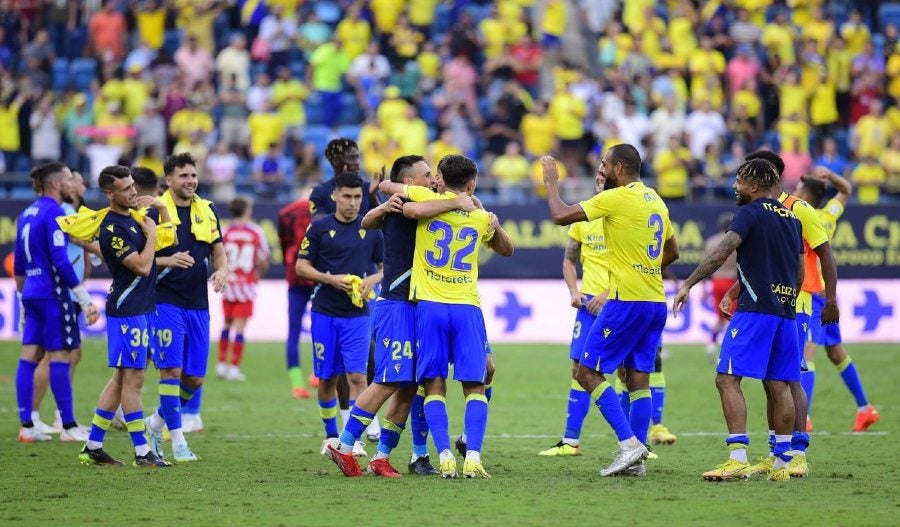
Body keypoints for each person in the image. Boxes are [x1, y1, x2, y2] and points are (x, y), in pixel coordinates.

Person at [325, 155, 479, 478]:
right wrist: (384, 205)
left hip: (421, 304)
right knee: (389, 378)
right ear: (409, 182)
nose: (434, 179)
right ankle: (343, 444)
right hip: (397, 303)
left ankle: (381, 457)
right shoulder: (403, 205)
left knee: (409, 384)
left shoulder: (426, 201)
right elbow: (371, 219)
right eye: (427, 175)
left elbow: (370, 218)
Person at [542, 145, 680, 477]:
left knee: (586, 372)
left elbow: (560, 215)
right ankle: (638, 460)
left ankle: (629, 445)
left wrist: (550, 183)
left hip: (626, 301)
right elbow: (672, 252)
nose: (601, 169)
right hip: (653, 301)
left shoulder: (617, 198)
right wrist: (644, 268)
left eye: (604, 164)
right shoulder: (655, 200)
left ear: (619, 168)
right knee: (638, 380)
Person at [673, 158, 803, 482]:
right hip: (786, 312)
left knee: (726, 378)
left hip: (755, 312)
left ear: (754, 185)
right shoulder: (792, 218)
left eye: (739, 181)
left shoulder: (749, 213)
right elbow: (798, 272)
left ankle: (737, 457)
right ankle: (781, 463)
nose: (735, 186)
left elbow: (721, 253)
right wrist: (770, 295)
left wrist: (688, 283)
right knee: (779, 384)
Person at [400, 154, 514, 478]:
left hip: (430, 307)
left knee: (433, 384)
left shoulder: (426, 198)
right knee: (475, 385)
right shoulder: (478, 218)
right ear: (471, 183)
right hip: (467, 308)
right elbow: (508, 250)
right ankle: (474, 456)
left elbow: (401, 197)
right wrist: (488, 218)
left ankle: (445, 455)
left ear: (439, 178)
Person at [728, 150, 839, 479]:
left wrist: (830, 298)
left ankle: (798, 452)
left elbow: (825, 254)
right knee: (770, 379)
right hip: (770, 302)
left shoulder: (799, 209)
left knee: (790, 376)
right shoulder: (761, 210)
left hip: (799, 301)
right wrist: (735, 292)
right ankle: (779, 451)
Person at [78, 165, 169, 467]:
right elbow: (143, 266)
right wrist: (153, 232)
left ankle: (92, 445)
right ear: (109, 194)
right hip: (127, 308)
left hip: (140, 307)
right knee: (134, 378)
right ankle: (142, 451)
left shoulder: (132, 219)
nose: (134, 191)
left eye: (133, 186)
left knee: (120, 378)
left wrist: (160, 214)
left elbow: (170, 243)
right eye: (126, 188)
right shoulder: (113, 229)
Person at [144, 153, 228, 463]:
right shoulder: (152, 212)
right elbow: (134, 261)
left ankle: (155, 423)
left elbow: (218, 251)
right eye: (183, 176)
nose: (190, 181)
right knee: (171, 371)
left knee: (194, 378)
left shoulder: (207, 210)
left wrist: (223, 270)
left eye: (193, 175)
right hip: (165, 301)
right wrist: (167, 260)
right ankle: (177, 442)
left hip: (198, 303)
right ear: (169, 180)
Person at [295, 172, 384, 459]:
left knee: (358, 376)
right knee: (327, 379)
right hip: (324, 312)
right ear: (335, 196)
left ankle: (352, 438)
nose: (353, 202)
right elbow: (301, 267)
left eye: (358, 197)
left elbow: (387, 268)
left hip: (358, 314)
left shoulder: (371, 228)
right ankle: (331, 435)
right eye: (347, 196)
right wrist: (330, 279)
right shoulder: (319, 228)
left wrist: (373, 279)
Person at [14, 163, 100, 443]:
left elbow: (18, 262)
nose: (71, 183)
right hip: (54, 293)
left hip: (32, 293)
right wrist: (84, 298)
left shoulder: (26, 213)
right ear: (55, 184)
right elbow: (60, 259)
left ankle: (27, 425)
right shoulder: (54, 213)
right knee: (62, 356)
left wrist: (21, 300)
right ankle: (69, 424)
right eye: (67, 179)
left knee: (29, 356)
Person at [794, 168, 879, 432]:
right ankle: (865, 408)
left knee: (806, 356)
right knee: (836, 352)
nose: (794, 193)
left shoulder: (801, 217)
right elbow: (847, 190)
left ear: (805, 195)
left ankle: (803, 418)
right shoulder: (827, 215)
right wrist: (830, 174)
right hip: (827, 295)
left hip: (812, 295)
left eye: (797, 190)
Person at [539, 165, 609, 457]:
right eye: (596, 177)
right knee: (578, 369)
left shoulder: (622, 217)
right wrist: (574, 291)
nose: (598, 181)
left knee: (628, 374)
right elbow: (569, 260)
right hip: (588, 304)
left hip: (619, 301)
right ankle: (570, 441)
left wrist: (608, 294)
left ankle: (636, 442)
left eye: (603, 178)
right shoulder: (584, 218)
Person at [218, 196, 270, 381]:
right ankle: (233, 368)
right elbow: (263, 259)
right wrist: (257, 274)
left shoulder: (225, 231)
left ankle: (221, 364)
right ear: (246, 210)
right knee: (240, 328)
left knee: (226, 324)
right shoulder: (256, 232)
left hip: (228, 284)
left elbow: (218, 255)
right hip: (246, 285)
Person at [277, 195, 316, 399]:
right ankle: (317, 374)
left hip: (295, 274)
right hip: (317, 274)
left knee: (293, 330)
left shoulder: (287, 212)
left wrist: (288, 263)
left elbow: (283, 242)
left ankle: (297, 384)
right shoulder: (323, 208)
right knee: (321, 325)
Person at [702, 214, 738, 362]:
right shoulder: (736, 241)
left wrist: (704, 287)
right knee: (733, 318)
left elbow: (704, 265)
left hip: (716, 281)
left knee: (719, 317)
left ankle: (711, 345)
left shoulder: (711, 242)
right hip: (731, 283)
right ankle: (730, 351)